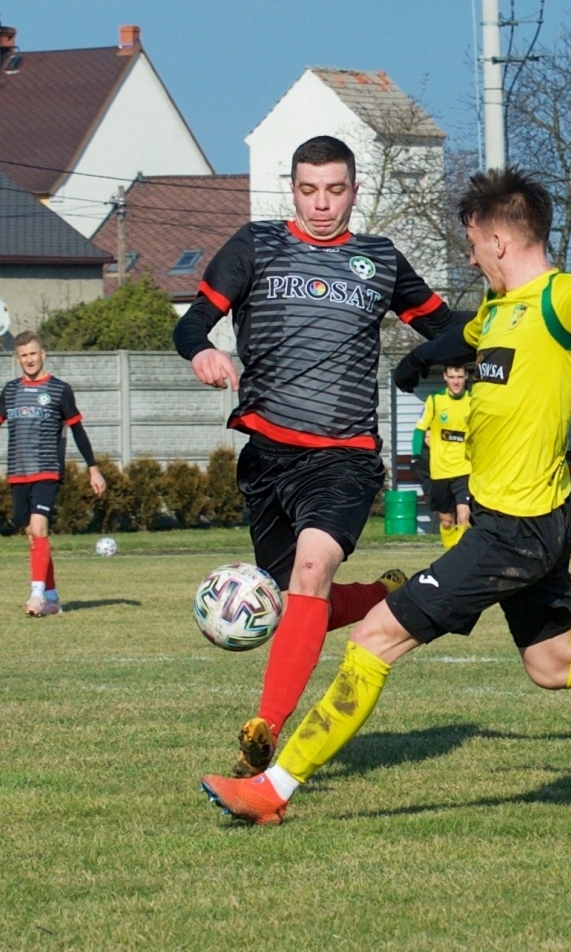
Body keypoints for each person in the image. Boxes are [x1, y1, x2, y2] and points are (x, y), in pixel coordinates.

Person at [200, 166, 571, 825]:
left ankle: (272, 789)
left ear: (499, 240)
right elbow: (470, 335)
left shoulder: (556, 299)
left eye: (471, 242)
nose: (469, 254)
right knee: (555, 662)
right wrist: (420, 358)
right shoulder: (499, 309)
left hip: (511, 529)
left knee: (374, 639)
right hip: (532, 521)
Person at [173, 135, 462, 778]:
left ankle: (264, 732)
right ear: (293, 188)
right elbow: (192, 322)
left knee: (310, 571)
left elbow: (449, 329)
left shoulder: (380, 260)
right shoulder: (255, 245)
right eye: (309, 189)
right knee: (290, 604)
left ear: (354, 190)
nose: (322, 203)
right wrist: (202, 351)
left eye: (335, 190)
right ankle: (386, 596)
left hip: (345, 456)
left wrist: (527, 320)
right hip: (268, 455)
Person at [0, 331, 106, 617]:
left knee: (39, 529)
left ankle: (36, 596)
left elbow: (77, 429)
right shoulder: (10, 390)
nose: (29, 359)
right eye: (23, 355)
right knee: (32, 535)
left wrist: (93, 468)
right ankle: (52, 597)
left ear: (43, 354)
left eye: (33, 353)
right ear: (18, 359)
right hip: (18, 472)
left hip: (47, 470)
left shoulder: (59, 390)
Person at [413, 363, 472, 548]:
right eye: (452, 377)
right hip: (440, 470)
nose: (456, 381)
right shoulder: (435, 400)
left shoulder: (474, 401)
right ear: (445, 377)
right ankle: (451, 555)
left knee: (464, 516)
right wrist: (416, 455)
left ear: (466, 377)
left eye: (460, 377)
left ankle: (462, 560)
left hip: (464, 468)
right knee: (447, 521)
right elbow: (419, 430)